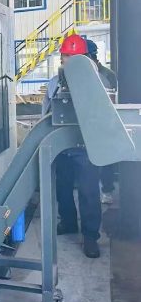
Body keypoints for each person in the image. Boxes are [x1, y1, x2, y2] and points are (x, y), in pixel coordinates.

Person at [41, 33, 112, 259]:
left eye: (74, 57)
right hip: (62, 145)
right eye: (66, 56)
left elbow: (107, 114)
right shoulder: (54, 83)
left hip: (87, 145)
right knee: (63, 187)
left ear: (85, 59)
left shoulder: (100, 82)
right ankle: (68, 222)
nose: (68, 61)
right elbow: (46, 113)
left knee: (88, 191)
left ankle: (90, 237)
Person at [83, 38, 118, 205]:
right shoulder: (81, 75)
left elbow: (112, 101)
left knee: (106, 160)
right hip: (88, 124)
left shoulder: (107, 75)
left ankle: (107, 190)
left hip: (104, 123)